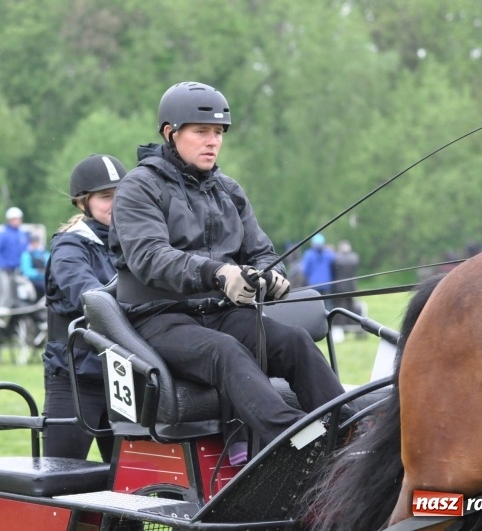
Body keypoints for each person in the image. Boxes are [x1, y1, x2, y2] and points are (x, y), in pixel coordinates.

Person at [109, 81, 346, 464]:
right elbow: (149, 257)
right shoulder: (139, 187)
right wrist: (217, 273)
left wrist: (269, 277)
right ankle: (300, 441)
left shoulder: (228, 191)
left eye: (218, 133)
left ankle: (348, 433)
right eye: (201, 132)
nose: (212, 142)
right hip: (162, 320)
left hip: (220, 314)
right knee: (226, 352)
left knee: (295, 342)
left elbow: (263, 252)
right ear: (171, 133)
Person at [43, 153, 127, 462]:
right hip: (77, 378)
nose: (116, 204)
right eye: (106, 197)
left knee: (129, 485)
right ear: (83, 202)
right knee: (61, 474)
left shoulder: (136, 242)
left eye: (122, 195)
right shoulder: (70, 246)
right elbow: (87, 294)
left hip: (123, 376)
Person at [0, 207, 29, 307]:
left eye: (19, 219)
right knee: (7, 293)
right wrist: (3, 265)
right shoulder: (4, 235)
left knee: (22, 292)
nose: (18, 221)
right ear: (10, 220)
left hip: (20, 270)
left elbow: (26, 251)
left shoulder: (22, 234)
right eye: (16, 219)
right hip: (8, 270)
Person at [301, 233, 336, 310]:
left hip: (314, 284)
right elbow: (335, 263)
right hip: (327, 283)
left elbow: (304, 270)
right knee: (328, 306)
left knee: (315, 305)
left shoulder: (308, 254)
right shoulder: (328, 254)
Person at [331, 240, 360, 316]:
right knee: (351, 304)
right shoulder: (354, 257)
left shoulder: (336, 258)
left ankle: (341, 323)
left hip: (340, 284)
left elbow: (334, 270)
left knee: (340, 305)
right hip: (351, 284)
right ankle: (352, 322)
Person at [19, 234, 50, 301]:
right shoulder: (26, 255)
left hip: (44, 278)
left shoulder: (44, 253)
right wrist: (39, 272)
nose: (35, 244)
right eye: (34, 242)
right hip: (32, 280)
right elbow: (26, 271)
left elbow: (49, 266)